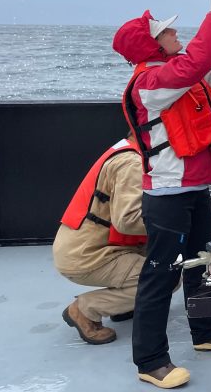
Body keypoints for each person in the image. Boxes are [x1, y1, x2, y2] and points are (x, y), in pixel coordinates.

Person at [112, 0, 211, 389]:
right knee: (159, 275)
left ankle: (206, 333)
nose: (174, 33)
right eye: (166, 31)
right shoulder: (151, 83)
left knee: (205, 262)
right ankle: (150, 360)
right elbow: (199, 62)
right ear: (152, 45)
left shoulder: (181, 77)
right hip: (168, 194)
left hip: (197, 187)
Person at [54, 135, 146, 345]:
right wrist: (178, 220)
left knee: (157, 259)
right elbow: (128, 221)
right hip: (87, 256)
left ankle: (123, 305)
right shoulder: (132, 163)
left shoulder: (126, 150)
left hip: (82, 246)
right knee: (166, 276)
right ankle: (85, 309)